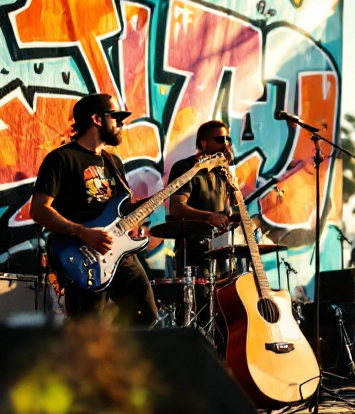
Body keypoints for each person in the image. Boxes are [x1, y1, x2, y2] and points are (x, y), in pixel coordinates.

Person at [31, 93, 159, 326]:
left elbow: (121, 209)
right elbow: (39, 211)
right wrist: (82, 232)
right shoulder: (61, 159)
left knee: (145, 315)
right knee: (89, 331)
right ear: (97, 119)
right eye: (115, 117)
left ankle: (121, 351)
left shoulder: (113, 162)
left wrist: (152, 202)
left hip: (119, 253)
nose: (120, 124)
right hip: (81, 256)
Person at [166, 119, 234, 274]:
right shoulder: (185, 168)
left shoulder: (222, 173)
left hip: (221, 251)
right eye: (220, 139)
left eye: (227, 139)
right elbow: (176, 207)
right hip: (193, 253)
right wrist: (210, 216)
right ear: (203, 143)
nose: (225, 144)